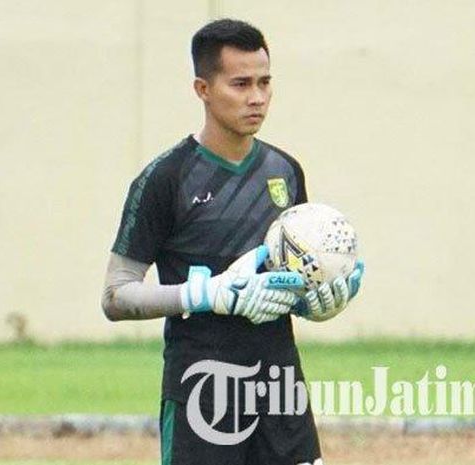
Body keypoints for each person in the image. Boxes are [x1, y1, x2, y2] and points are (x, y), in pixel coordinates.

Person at [102, 19, 363, 465]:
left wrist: (314, 298)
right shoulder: (165, 179)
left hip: (280, 389)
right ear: (202, 88)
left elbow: (291, 272)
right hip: (203, 389)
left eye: (264, 82)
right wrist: (208, 294)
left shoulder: (285, 171)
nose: (257, 97)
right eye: (240, 83)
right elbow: (115, 294)